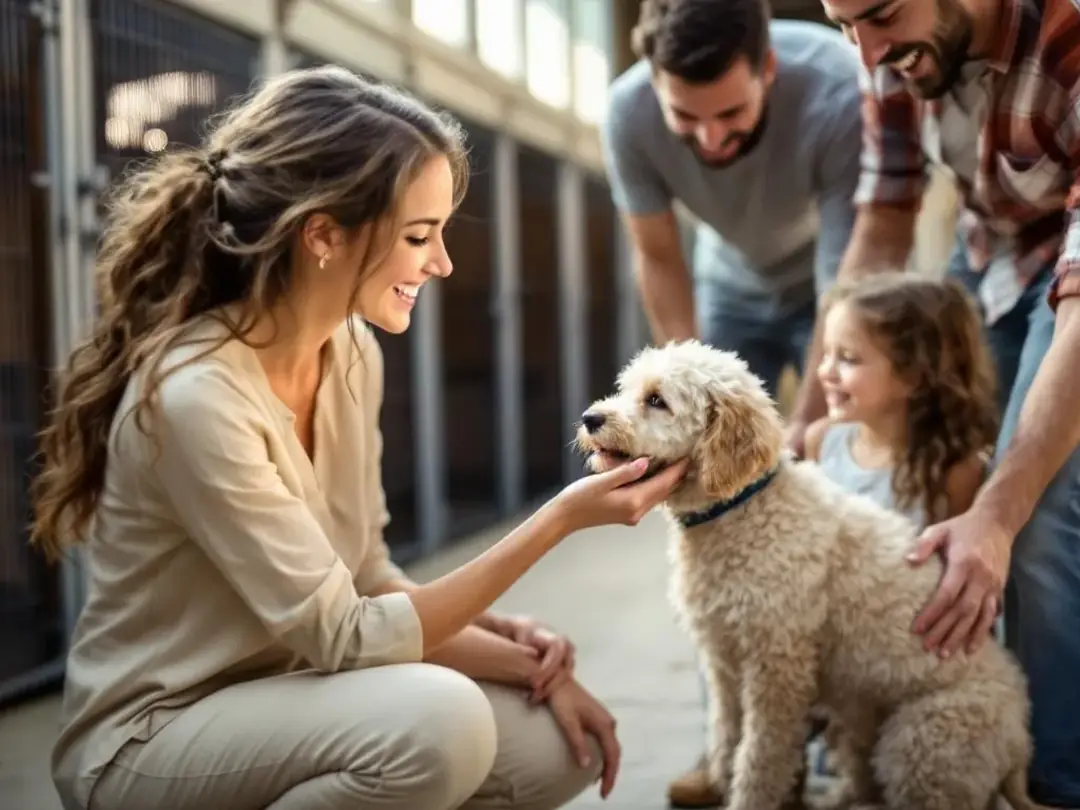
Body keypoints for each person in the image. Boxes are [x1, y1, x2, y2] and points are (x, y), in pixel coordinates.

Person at [30, 65, 688, 810]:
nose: (442, 263)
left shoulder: (349, 351)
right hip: (150, 740)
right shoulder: (199, 397)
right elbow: (346, 636)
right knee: (438, 723)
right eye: (419, 235)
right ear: (323, 235)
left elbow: (368, 573)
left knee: (550, 748)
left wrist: (523, 656)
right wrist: (561, 518)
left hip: (294, 696)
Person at [599, 0, 864, 803]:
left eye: (731, 114)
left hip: (832, 282)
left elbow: (844, 278)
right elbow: (657, 254)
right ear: (655, 83)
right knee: (710, 523)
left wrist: (817, 411)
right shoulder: (629, 112)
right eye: (688, 116)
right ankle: (727, 748)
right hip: (727, 287)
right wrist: (677, 383)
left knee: (839, 471)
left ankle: (828, 718)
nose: (710, 139)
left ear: (768, 71)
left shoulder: (835, 89)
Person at [817, 0, 1080, 804]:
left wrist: (997, 517)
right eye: (844, 27)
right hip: (991, 252)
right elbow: (887, 213)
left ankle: (1055, 778)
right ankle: (894, 714)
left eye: (881, 15)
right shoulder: (894, 54)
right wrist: (816, 394)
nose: (865, 52)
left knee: (1033, 520)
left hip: (1069, 275)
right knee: (917, 455)